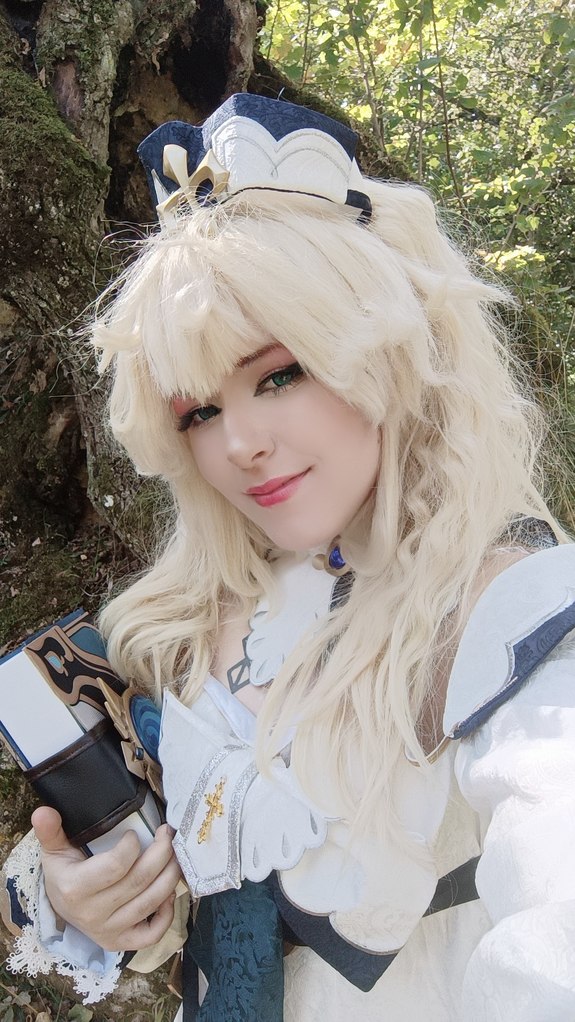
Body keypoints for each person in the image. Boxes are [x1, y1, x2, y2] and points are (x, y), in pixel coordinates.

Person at [3, 93, 575, 1021]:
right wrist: (81, 895)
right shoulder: (181, 626)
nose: (240, 445)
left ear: (387, 351)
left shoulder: (514, 609)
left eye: (279, 373)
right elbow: (163, 899)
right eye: (199, 410)